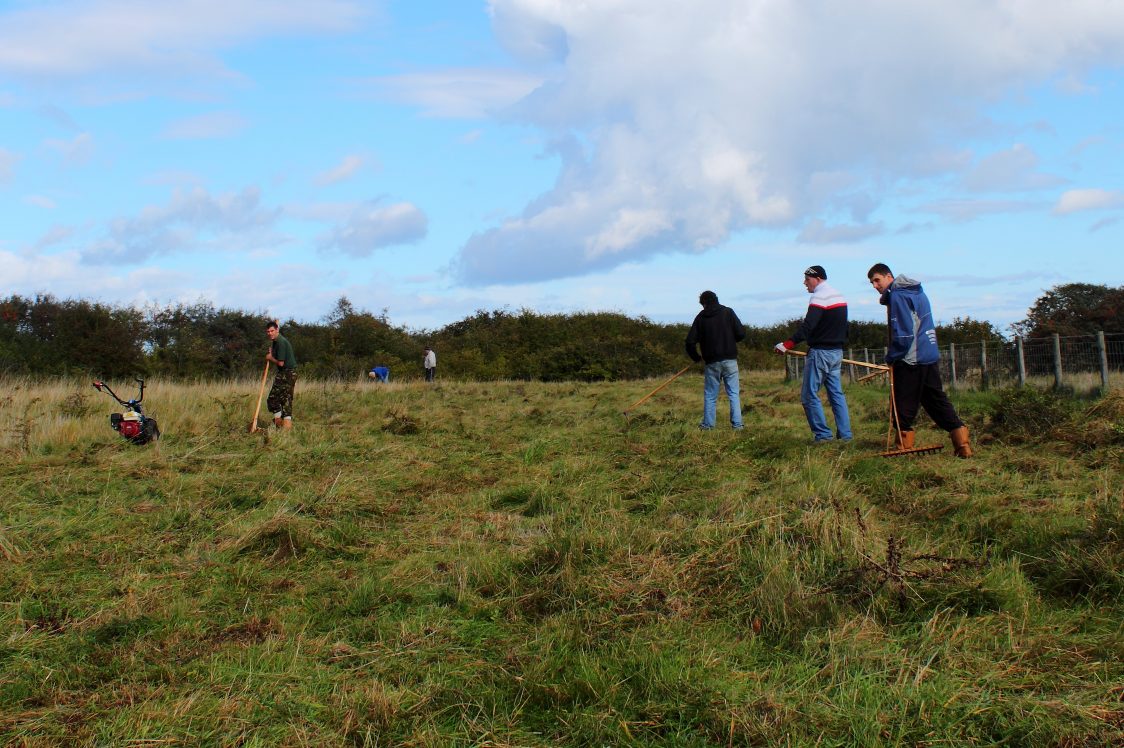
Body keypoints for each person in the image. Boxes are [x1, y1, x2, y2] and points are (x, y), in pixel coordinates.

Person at [867, 263, 972, 457]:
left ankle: (903, 448)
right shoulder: (918, 292)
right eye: (872, 282)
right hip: (929, 354)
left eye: (877, 280)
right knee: (936, 400)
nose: (874, 285)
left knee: (901, 404)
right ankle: (962, 443)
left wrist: (892, 356)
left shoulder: (898, 296)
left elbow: (904, 334)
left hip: (910, 359)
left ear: (889, 276)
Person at [774, 265, 852, 443]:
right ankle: (846, 436)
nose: (804, 283)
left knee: (809, 395)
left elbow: (808, 325)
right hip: (836, 352)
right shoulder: (838, 295)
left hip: (821, 353)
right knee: (836, 394)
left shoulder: (820, 296)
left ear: (817, 279)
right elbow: (844, 326)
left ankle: (823, 436)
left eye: (807, 279)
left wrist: (787, 344)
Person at [685, 290, 746, 430]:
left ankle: (708, 425)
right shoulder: (728, 312)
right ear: (716, 299)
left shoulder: (701, 318)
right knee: (733, 393)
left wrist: (696, 357)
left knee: (711, 395)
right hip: (730, 359)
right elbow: (741, 333)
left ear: (704, 303)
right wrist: (731, 340)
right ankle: (737, 426)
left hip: (711, 362)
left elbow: (689, 342)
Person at [265, 320, 297, 429]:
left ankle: (283, 426)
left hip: (288, 372)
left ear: (277, 330)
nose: (270, 333)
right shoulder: (275, 341)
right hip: (284, 372)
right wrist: (271, 352)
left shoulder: (281, 342)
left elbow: (281, 363)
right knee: (279, 399)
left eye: (272, 331)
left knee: (279, 399)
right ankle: (280, 425)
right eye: (268, 332)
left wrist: (270, 358)